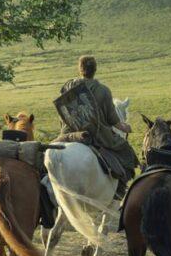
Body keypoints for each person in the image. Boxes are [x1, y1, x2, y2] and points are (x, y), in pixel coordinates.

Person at [57, 56, 138, 198]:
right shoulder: (103, 90)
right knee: (127, 153)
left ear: (80, 69)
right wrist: (125, 127)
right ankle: (118, 192)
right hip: (96, 134)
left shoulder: (67, 86)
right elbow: (113, 120)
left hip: (69, 132)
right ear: (95, 70)